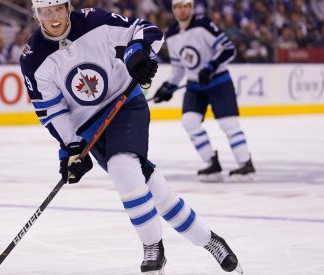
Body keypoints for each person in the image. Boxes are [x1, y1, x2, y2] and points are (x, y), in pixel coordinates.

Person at [20, 1, 243, 274]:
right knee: (152, 187)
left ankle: (153, 248)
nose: (53, 17)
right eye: (46, 11)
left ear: (68, 7)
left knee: (122, 166)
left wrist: (136, 53)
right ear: (36, 14)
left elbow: (147, 31)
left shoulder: (94, 21)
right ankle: (210, 240)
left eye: (58, 8)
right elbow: (51, 109)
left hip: (124, 103)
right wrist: (71, 147)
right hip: (91, 129)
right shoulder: (32, 58)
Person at [153, 0, 255, 183]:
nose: (182, 9)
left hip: (218, 81)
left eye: (186, 6)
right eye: (178, 6)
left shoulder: (203, 24)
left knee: (228, 124)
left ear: (191, 8)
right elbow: (179, 68)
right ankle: (212, 162)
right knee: (189, 122)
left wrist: (211, 67)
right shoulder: (172, 34)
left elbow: (228, 49)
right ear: (174, 10)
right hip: (195, 85)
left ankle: (246, 163)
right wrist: (169, 86)